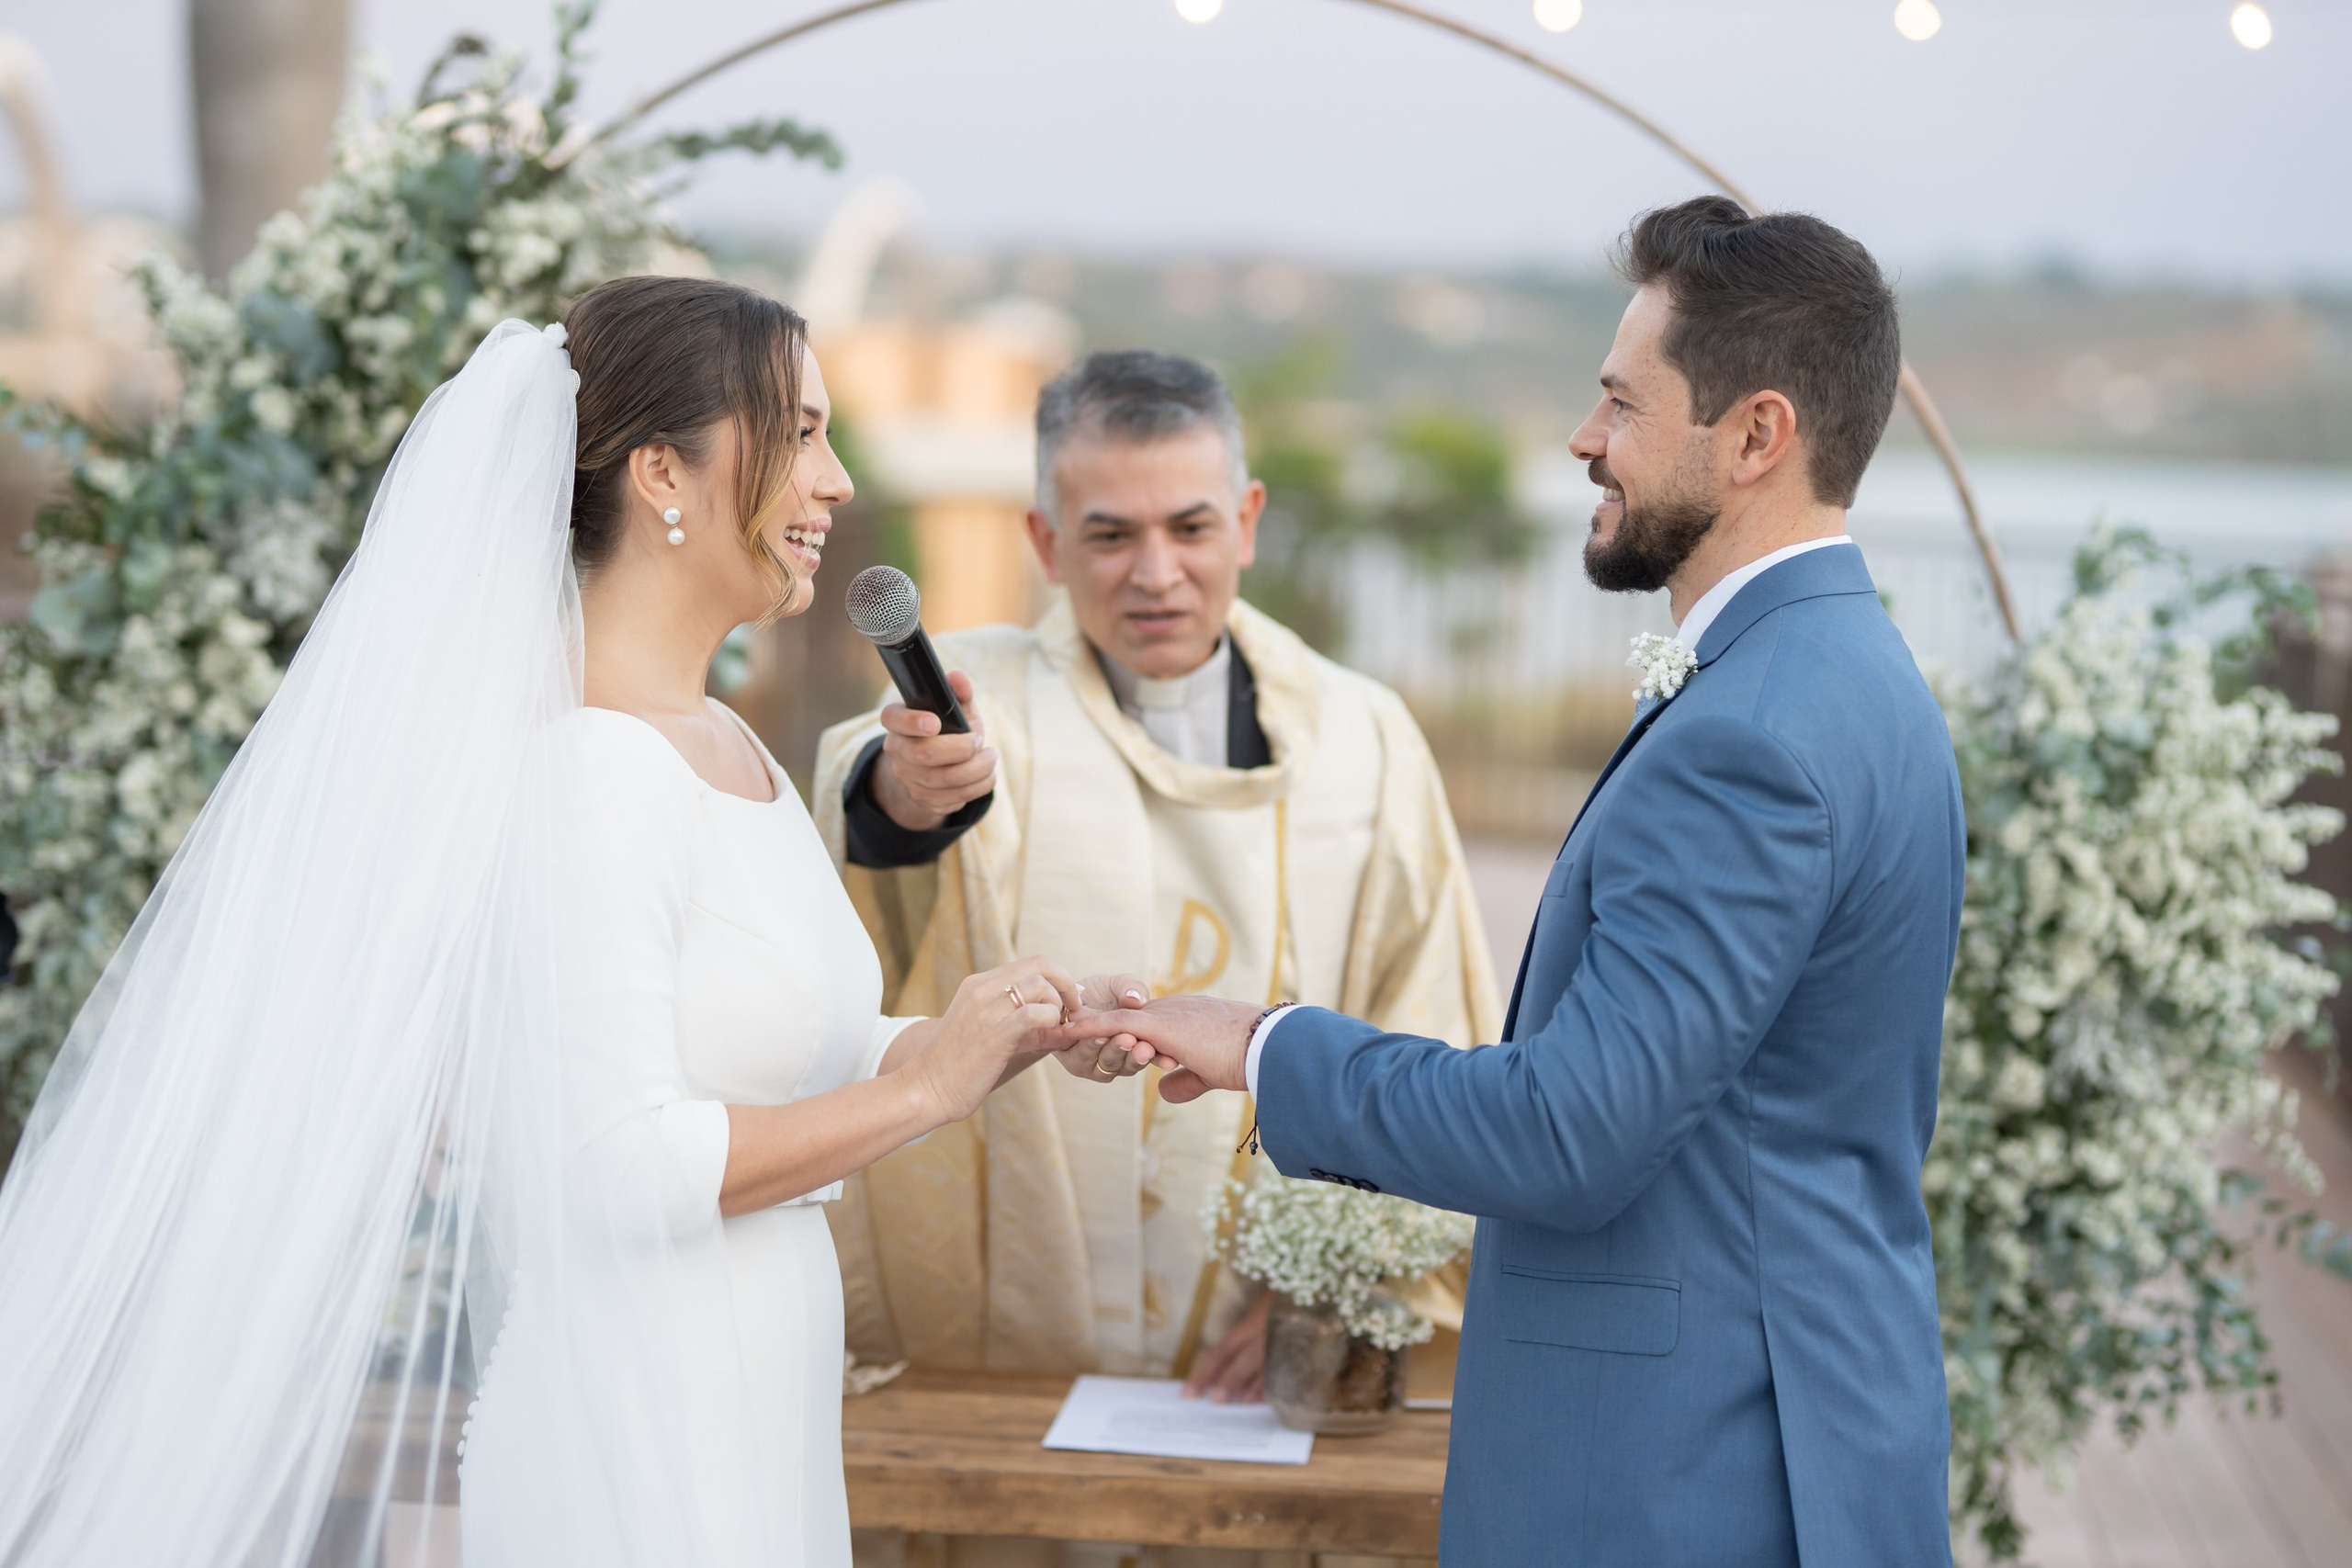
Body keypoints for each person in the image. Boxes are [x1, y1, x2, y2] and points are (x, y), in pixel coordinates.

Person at [0, 277, 1136, 1568]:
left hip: (755, 1398)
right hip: (637, 1420)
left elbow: (765, 1045)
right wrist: (929, 1089)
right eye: (802, 432)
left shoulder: (726, 744)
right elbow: (616, 1162)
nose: (832, 479)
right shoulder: (587, 773)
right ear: (664, 470)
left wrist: (1001, 1033)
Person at [1071, 199, 1963, 1568]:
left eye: (1620, 400)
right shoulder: (1859, 673)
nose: (1582, 437)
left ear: (1757, 435)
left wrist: (1265, 1042)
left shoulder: (1750, 734)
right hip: (1807, 1424)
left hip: (1678, 1473)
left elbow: (1571, 1133)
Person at [811, 352, 1499, 1425]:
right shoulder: (981, 700)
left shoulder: (1364, 739)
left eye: (1189, 528)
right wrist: (906, 789)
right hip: (1004, 1360)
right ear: (1044, 542)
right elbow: (873, 807)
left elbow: (1430, 1028)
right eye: (1109, 534)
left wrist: (1331, 1291)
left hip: (1250, 1366)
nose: (1155, 572)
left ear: (1248, 520)